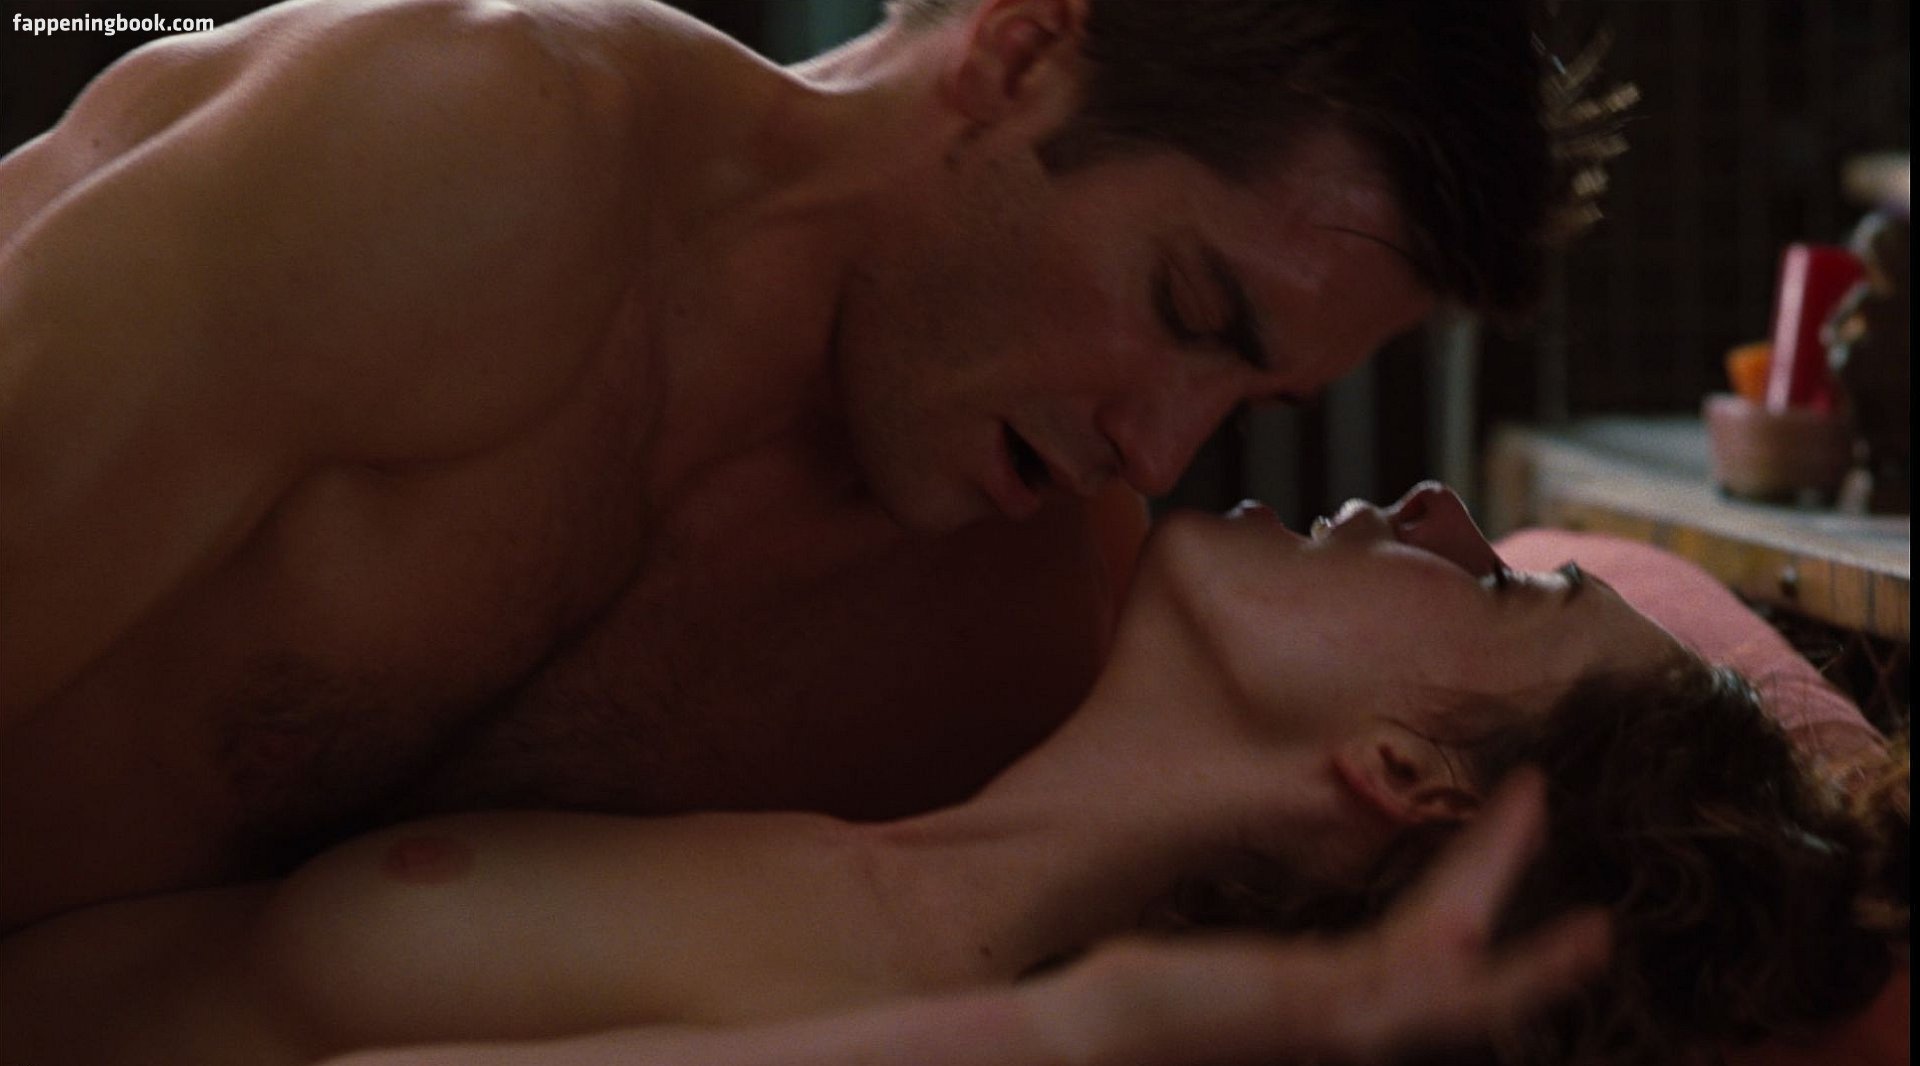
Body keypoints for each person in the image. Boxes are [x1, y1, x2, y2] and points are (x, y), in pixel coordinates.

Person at [0, 0, 1609, 932]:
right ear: (1022, 54)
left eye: (1251, 404)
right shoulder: (459, 152)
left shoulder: (1022, 633)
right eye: (1187, 310)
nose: (1160, 446)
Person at [1, 485, 1904, 1066]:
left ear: (1404, 770)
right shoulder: (933, 715)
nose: (1429, 505)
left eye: (1495, 589)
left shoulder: (936, 1017)